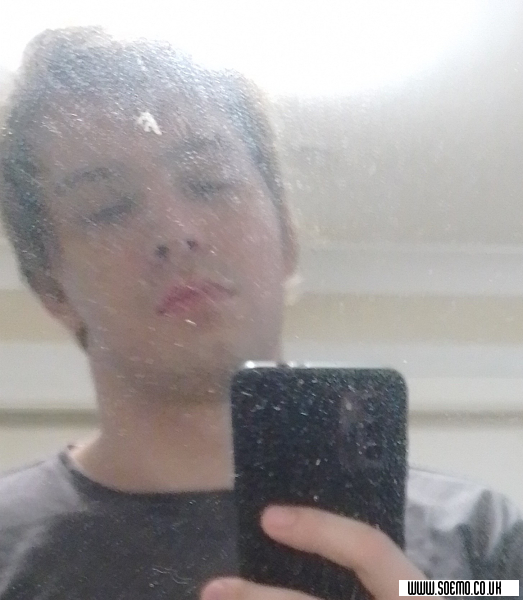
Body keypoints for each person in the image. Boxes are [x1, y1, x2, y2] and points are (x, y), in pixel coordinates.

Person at [0, 26, 521, 600]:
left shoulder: (481, 542)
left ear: (287, 235)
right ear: (51, 288)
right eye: (108, 208)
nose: (175, 231)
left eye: (210, 183)